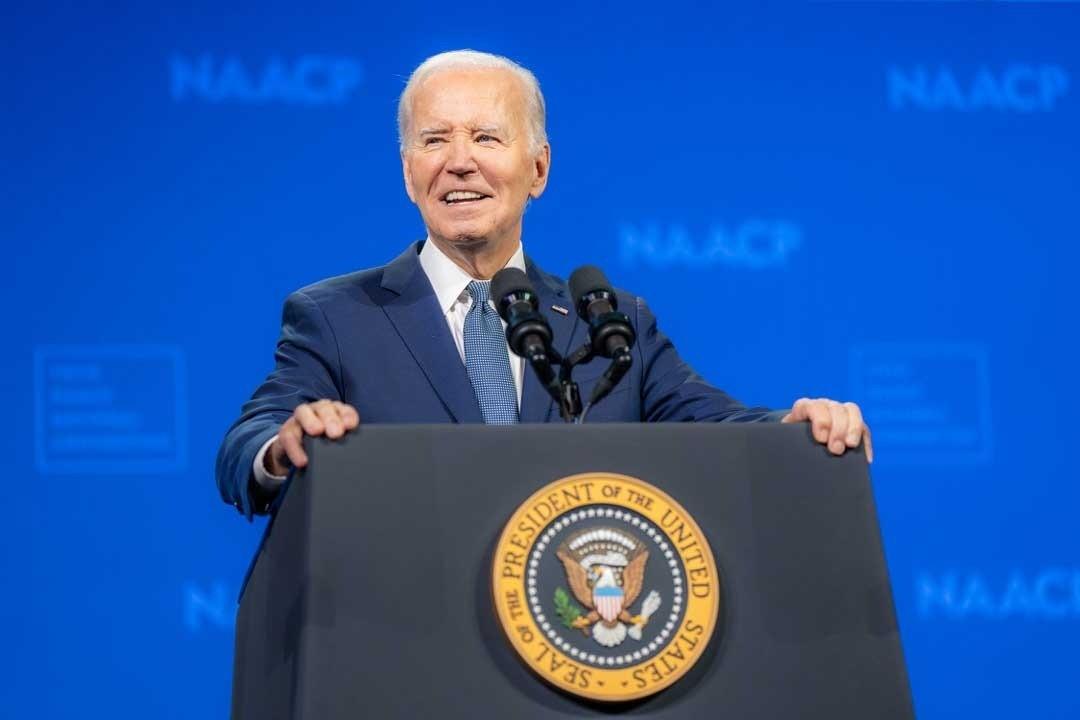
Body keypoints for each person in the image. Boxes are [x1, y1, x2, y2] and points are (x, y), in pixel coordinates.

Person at [215, 50, 873, 520]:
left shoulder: (610, 323)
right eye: (434, 139)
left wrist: (794, 428)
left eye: (486, 137)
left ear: (538, 167)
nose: (459, 161)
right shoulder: (335, 315)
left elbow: (717, 427)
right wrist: (279, 449)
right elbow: (250, 442)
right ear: (409, 172)